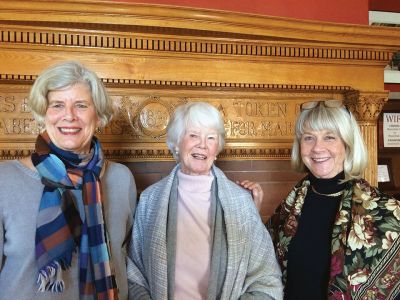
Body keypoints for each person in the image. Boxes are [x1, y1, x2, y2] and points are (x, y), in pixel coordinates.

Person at [0, 61, 137, 299]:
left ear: (99, 115)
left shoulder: (121, 179)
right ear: (44, 113)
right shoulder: (5, 179)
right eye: (57, 105)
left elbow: (126, 260)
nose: (69, 116)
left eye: (81, 105)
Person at [127, 101, 283, 299]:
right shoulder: (150, 200)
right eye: (193, 135)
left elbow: (266, 279)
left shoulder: (242, 202)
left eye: (211, 137)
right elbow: (134, 275)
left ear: (217, 148)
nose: (202, 144)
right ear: (176, 142)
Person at [269, 99, 400, 300]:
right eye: (309, 138)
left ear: (347, 144)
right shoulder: (287, 211)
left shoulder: (390, 214)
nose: (317, 148)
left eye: (329, 137)